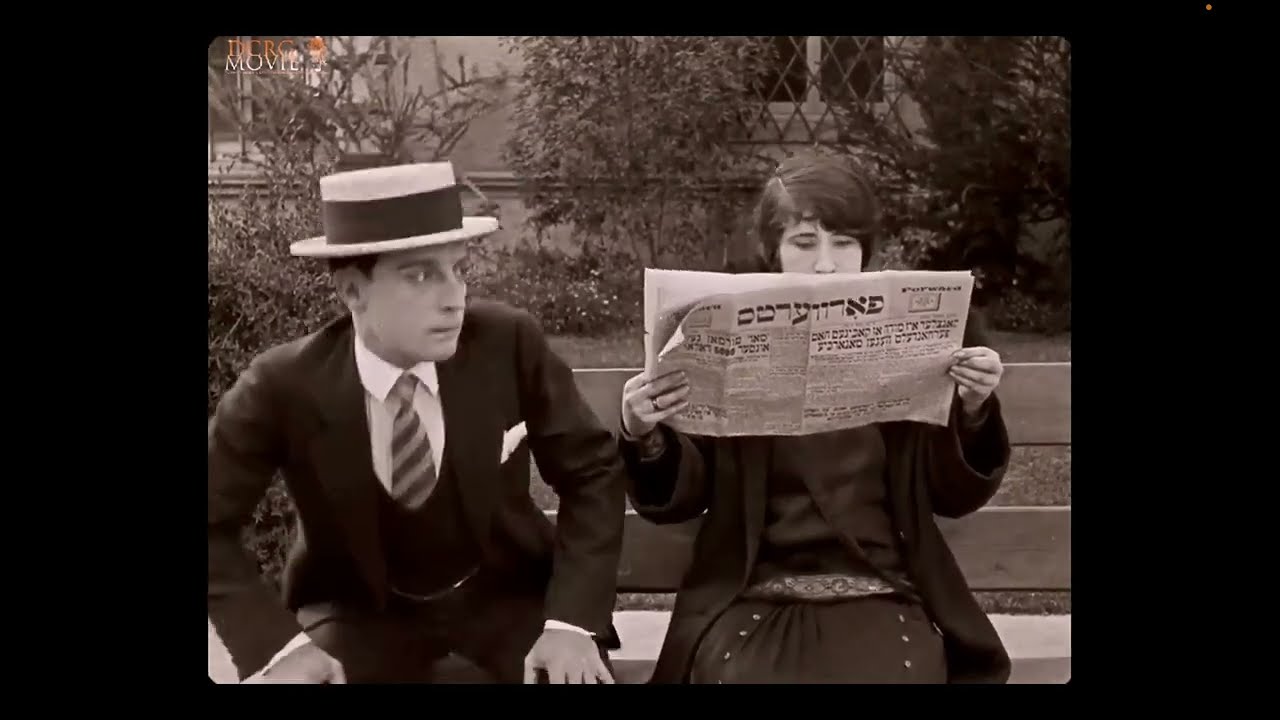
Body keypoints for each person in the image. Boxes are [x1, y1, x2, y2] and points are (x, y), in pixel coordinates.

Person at [209, 162, 628, 684]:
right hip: (360, 610)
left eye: (459, 269)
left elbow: (592, 474)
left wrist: (570, 622)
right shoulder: (284, 385)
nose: (454, 297)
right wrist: (277, 649)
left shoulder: (506, 345)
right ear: (352, 292)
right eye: (421, 275)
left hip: (510, 599)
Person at [617, 152, 1013, 684]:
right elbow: (682, 496)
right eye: (805, 243)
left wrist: (973, 408)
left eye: (844, 243)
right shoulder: (726, 328)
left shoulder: (936, 335)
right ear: (773, 252)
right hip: (751, 593)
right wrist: (646, 436)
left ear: (865, 251)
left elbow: (954, 495)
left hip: (882, 589)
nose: (826, 264)